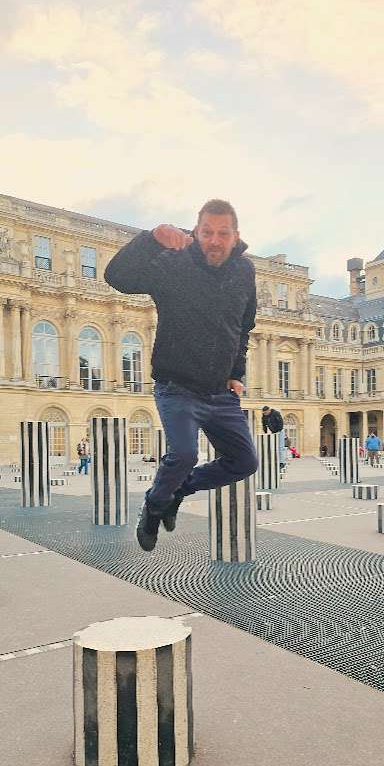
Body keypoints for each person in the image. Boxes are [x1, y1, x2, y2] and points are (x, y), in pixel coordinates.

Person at [104, 199, 258, 552]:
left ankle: (178, 492)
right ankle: (155, 506)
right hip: (177, 386)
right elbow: (118, 277)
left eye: (223, 233)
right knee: (185, 454)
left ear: (236, 236)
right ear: (196, 231)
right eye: (207, 232)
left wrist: (236, 372)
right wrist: (152, 239)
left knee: (245, 462)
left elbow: (243, 326)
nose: (214, 240)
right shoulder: (173, 262)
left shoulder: (245, 271)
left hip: (220, 391)